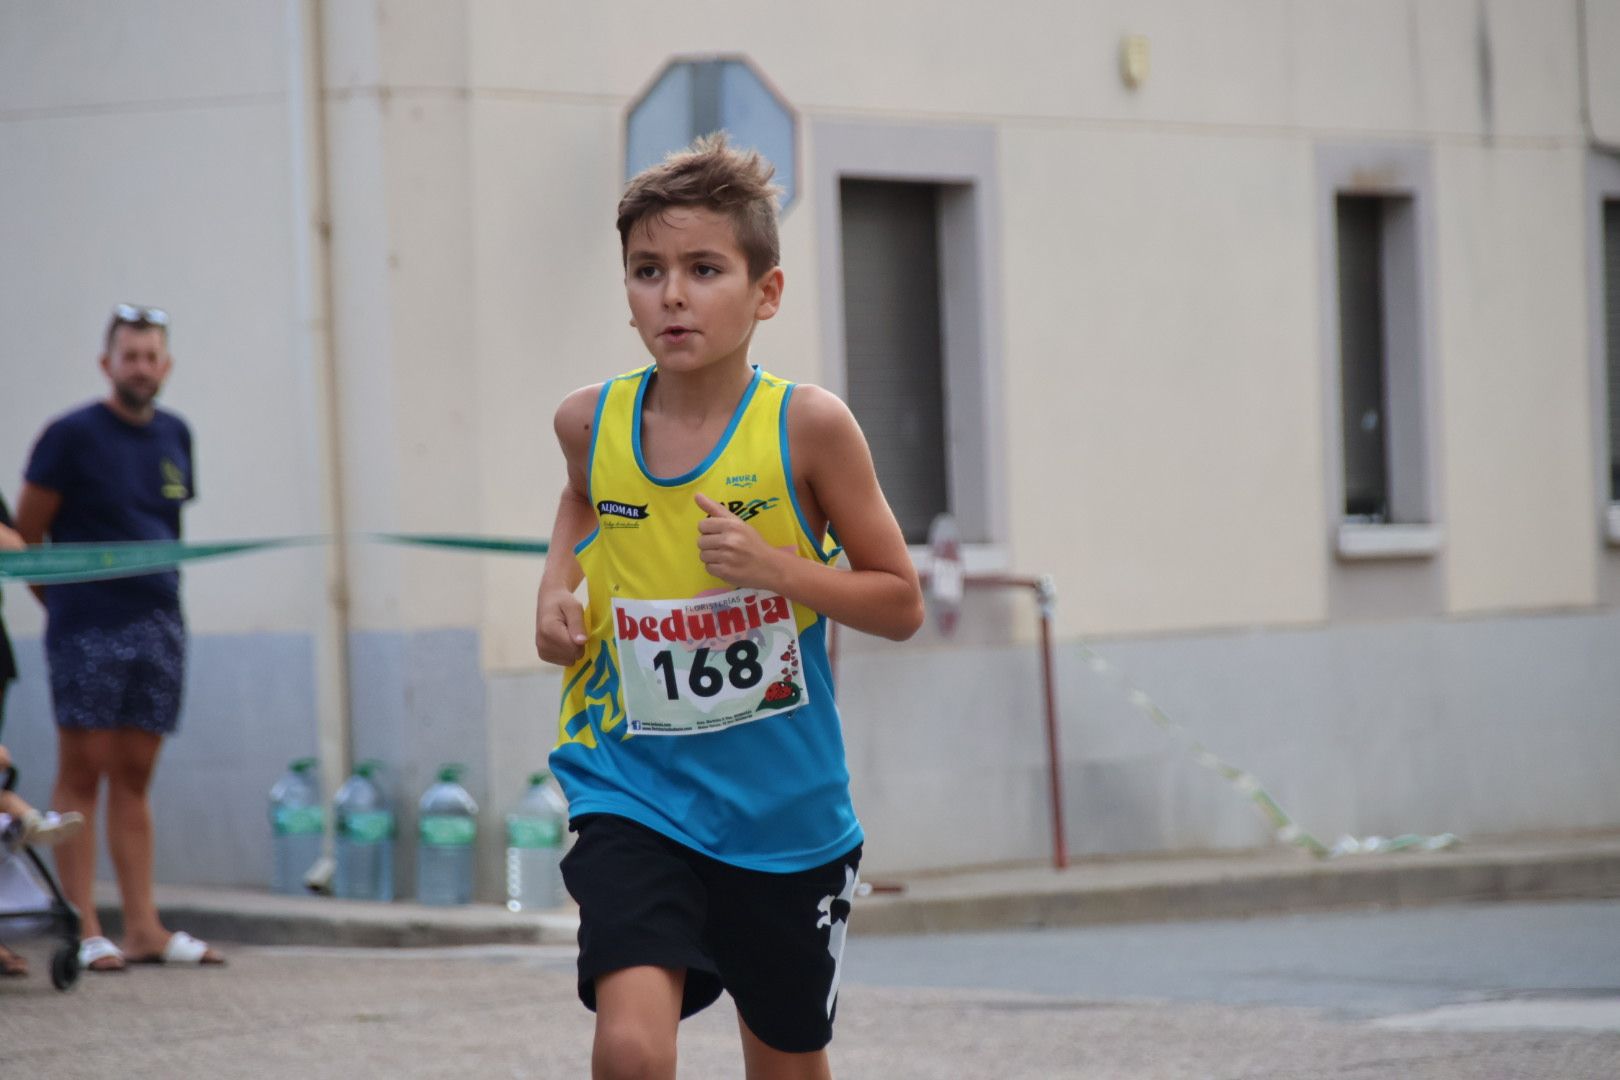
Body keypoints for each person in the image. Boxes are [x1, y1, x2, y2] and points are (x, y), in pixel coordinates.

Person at [533, 136, 924, 1080]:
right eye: (647, 271)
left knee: (786, 1063)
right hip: (633, 785)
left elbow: (900, 602)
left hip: (784, 818)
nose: (672, 294)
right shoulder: (589, 420)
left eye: (704, 269)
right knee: (629, 1050)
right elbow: (582, 496)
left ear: (767, 293)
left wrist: (778, 570)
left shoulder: (809, 429)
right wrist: (557, 589)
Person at [14, 304, 223, 971]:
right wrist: (64, 607)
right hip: (87, 625)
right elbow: (26, 535)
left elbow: (167, 528)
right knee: (83, 771)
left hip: (159, 621)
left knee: (135, 775)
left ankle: (144, 928)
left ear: (166, 365)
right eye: (129, 355)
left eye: (151, 355)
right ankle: (83, 926)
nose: (141, 367)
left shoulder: (176, 434)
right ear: (107, 364)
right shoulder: (70, 435)